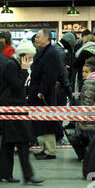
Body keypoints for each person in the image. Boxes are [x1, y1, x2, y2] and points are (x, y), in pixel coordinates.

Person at [0, 42, 44, 185]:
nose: (30, 61)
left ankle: (5, 174)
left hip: (13, 108)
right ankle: (27, 175)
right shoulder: (12, 65)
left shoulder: (13, 64)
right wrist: (24, 71)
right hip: (13, 109)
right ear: (22, 56)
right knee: (22, 142)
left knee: (9, 143)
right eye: (29, 58)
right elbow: (17, 86)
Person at [29, 29, 60, 160]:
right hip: (39, 91)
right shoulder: (44, 51)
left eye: (38, 37)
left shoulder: (51, 53)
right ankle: (47, 149)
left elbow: (49, 76)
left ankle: (50, 151)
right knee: (44, 122)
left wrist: (42, 91)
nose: (36, 39)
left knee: (47, 122)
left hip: (43, 93)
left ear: (47, 38)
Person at [74, 57, 95, 160]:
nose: (83, 73)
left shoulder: (89, 83)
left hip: (88, 116)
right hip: (94, 116)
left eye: (86, 72)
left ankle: (91, 159)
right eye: (82, 71)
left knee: (90, 137)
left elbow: (88, 100)